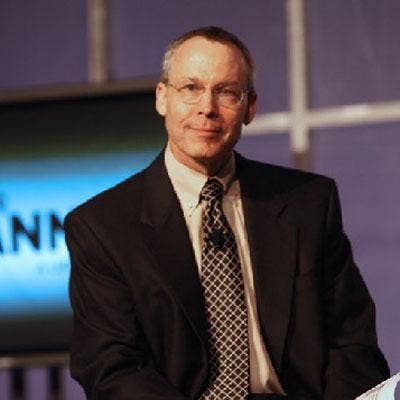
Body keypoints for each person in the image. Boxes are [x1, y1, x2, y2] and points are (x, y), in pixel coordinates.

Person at [64, 26, 389, 400]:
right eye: (191, 88)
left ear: (250, 107)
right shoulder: (103, 226)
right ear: (162, 98)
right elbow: (111, 366)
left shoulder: (308, 205)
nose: (207, 107)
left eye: (226, 92)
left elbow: (353, 342)